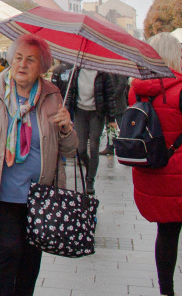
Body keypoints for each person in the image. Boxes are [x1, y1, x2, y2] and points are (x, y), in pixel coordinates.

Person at [0, 34, 76, 296]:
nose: (22, 64)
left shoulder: (53, 97)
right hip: (2, 192)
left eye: (31, 60)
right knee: (10, 248)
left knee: (32, 254)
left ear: (42, 66)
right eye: (18, 58)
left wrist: (66, 128)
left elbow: (69, 150)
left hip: (40, 194)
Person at [128, 33, 182, 296]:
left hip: (153, 171)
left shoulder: (136, 90)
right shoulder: (180, 90)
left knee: (167, 233)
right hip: (179, 172)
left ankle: (166, 290)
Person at [56, 63, 118, 194]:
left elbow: (109, 96)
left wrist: (111, 119)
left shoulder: (103, 73)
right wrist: (66, 110)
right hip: (80, 111)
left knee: (94, 146)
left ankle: (90, 181)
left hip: (97, 113)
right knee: (81, 148)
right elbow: (71, 91)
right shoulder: (76, 71)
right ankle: (90, 168)